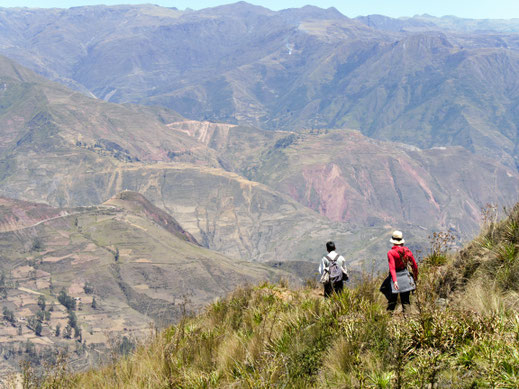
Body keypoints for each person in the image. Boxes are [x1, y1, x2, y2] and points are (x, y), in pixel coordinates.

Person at [384, 230, 418, 312]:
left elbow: (392, 268)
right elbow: (414, 266)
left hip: (395, 278)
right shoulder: (407, 251)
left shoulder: (391, 253)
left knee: (392, 302)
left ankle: (388, 321)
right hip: (406, 277)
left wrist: (395, 281)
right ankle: (408, 321)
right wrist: (415, 277)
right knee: (406, 302)